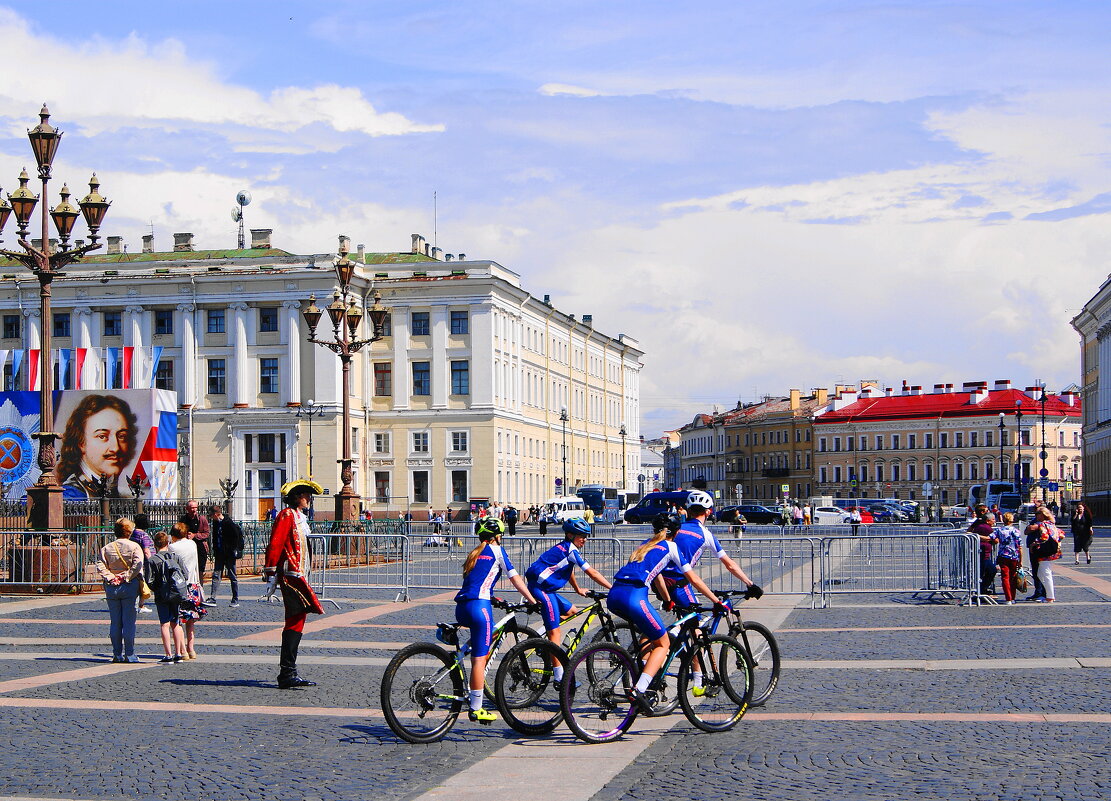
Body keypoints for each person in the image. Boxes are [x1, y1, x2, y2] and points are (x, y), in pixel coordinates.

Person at [608, 512, 725, 712]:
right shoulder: (671, 546)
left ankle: (641, 668)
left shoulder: (644, 545)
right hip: (634, 596)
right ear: (676, 532)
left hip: (615, 594)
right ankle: (639, 690)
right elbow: (694, 579)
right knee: (663, 643)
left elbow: (658, 577)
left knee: (651, 634)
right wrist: (717, 602)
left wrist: (668, 600)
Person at [454, 518, 539, 723]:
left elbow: (476, 583)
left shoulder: (473, 554)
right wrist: (532, 600)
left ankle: (456, 659)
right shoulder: (497, 551)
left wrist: (494, 598)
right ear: (497, 536)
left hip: (462, 607)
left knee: (473, 644)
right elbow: (515, 578)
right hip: (479, 608)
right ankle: (476, 708)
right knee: (479, 660)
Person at [525, 518, 613, 683]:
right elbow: (592, 573)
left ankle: (542, 635)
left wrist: (577, 589)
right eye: (581, 536)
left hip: (548, 589)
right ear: (570, 535)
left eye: (586, 536)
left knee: (572, 612)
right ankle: (560, 677)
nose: (584, 539)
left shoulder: (567, 549)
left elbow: (568, 569)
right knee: (555, 633)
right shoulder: (570, 549)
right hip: (541, 589)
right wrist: (612, 588)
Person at [264, 479, 326, 689]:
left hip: (298, 574)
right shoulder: (287, 515)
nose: (309, 499)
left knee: (298, 618)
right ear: (297, 497)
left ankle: (288, 671)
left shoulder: (298, 517)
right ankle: (287, 672)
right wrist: (270, 570)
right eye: (306, 495)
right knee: (296, 618)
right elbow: (276, 542)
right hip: (291, 575)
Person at [659, 490, 761, 610]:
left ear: (689, 510)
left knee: (686, 615)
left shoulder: (676, 528)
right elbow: (730, 565)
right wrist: (750, 584)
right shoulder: (705, 534)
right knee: (695, 622)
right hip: (677, 582)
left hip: (659, 580)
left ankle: (679, 628)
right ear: (708, 512)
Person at [55, 394, 138, 499]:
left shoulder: (125, 496)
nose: (115, 448)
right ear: (81, 442)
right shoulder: (71, 496)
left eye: (122, 436)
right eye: (102, 436)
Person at [95, 517, 144, 663]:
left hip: (111, 586)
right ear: (129, 531)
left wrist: (111, 577)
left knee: (115, 622)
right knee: (129, 622)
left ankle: (117, 653)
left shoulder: (107, 547)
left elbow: (100, 564)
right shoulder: (134, 546)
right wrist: (126, 576)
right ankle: (130, 654)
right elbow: (138, 564)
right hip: (129, 585)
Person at [146, 530, 189, 663]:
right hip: (176, 594)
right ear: (168, 543)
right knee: (175, 623)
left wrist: (158, 589)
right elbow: (185, 575)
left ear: (155, 544)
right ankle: (178, 654)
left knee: (164, 624)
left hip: (162, 595)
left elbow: (149, 580)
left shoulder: (152, 560)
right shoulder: (175, 557)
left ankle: (168, 655)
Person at [169, 522, 204, 659]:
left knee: (177, 618)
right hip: (193, 584)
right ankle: (191, 649)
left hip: (180, 586)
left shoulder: (172, 547)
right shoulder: (192, 544)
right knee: (190, 619)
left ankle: (182, 650)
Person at [208, 505, 244, 607]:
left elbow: (236, 538)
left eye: (211, 515)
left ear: (216, 514)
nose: (210, 518)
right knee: (216, 575)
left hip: (229, 554)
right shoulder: (216, 523)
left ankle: (235, 599)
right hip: (219, 553)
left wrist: (232, 549)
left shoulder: (228, 523)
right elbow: (215, 538)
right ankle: (213, 598)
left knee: (232, 576)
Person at [1027, 507, 1064, 603]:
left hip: (1044, 552)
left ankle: (1050, 597)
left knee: (1046, 574)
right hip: (1051, 552)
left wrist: (1034, 544)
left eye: (1037, 513)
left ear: (1042, 514)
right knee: (1041, 574)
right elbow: (1061, 534)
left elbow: (1044, 537)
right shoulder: (1052, 524)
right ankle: (1048, 595)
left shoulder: (1043, 525)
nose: (1036, 515)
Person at [179, 499, 211, 586]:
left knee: (200, 569)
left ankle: (200, 587)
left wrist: (195, 535)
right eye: (191, 508)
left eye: (195, 508)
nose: (193, 510)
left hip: (200, 546)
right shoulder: (183, 519)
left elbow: (207, 533)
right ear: (187, 508)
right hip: (186, 547)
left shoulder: (202, 519)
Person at [994, 513, 1023, 605]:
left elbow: (991, 538)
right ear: (1012, 520)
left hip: (1003, 555)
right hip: (1014, 556)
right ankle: (1013, 597)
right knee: (1013, 577)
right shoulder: (1016, 531)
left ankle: (1008, 598)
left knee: (1005, 577)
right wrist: (1021, 560)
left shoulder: (999, 530)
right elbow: (1020, 547)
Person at [130, 513, 156, 616]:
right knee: (144, 583)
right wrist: (152, 562)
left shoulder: (133, 534)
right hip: (145, 562)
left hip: (136, 561)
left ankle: (137, 604)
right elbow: (146, 550)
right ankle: (141, 605)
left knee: (138, 582)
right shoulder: (143, 535)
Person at [969, 511, 997, 596]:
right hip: (983, 553)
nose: (994, 521)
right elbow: (995, 540)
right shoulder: (986, 528)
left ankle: (982, 589)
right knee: (990, 570)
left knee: (984, 571)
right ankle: (981, 590)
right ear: (988, 521)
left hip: (983, 553)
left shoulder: (980, 526)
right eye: (993, 520)